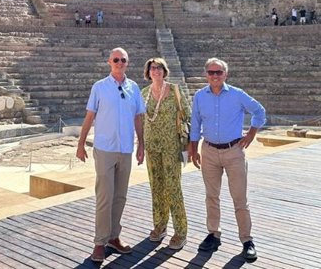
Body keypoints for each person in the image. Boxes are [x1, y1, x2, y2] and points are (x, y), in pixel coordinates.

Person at [189, 57, 266, 263]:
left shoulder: (237, 94)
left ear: (226, 75)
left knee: (239, 198)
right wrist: (193, 148)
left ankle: (247, 240)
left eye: (219, 72)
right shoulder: (199, 96)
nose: (215, 76)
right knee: (211, 196)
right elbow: (195, 122)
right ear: (206, 75)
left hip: (234, 151)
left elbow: (259, 111)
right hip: (209, 151)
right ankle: (214, 234)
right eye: (211, 72)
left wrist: (251, 133)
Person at [76, 48, 146, 263]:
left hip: (126, 149)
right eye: (116, 59)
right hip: (105, 149)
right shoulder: (100, 87)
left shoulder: (134, 88)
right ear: (109, 62)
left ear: (128, 62)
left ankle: (113, 237)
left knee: (120, 196)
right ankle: (99, 242)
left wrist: (141, 145)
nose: (119, 62)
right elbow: (90, 116)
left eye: (123, 60)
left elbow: (138, 119)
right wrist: (80, 144)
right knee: (105, 197)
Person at [140, 58, 190, 251]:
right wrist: (141, 146)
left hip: (171, 146)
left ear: (165, 71)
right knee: (156, 186)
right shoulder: (144, 93)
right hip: (152, 147)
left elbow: (187, 115)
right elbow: (141, 120)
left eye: (159, 68)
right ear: (148, 72)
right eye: (153, 68)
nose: (156, 71)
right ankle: (160, 226)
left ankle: (181, 231)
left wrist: (190, 146)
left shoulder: (175, 91)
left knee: (173, 187)